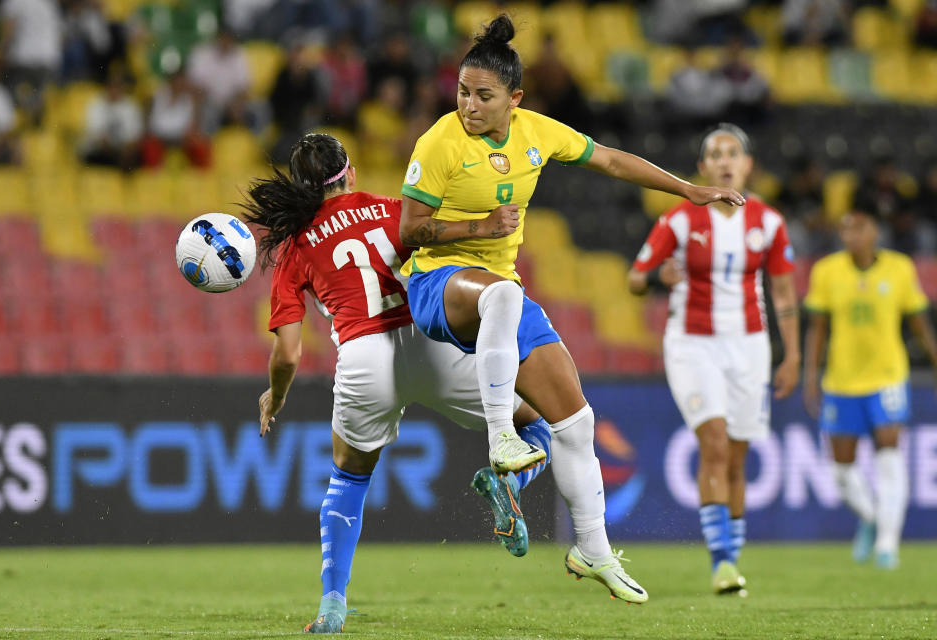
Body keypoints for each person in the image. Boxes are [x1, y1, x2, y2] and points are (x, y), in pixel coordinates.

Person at [398, 14, 744, 604]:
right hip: (437, 283)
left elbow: (609, 160)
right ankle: (502, 436)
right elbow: (407, 233)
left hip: (498, 291)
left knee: (576, 422)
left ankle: (593, 550)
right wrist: (479, 225)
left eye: (484, 96)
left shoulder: (537, 132)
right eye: (462, 92)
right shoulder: (438, 143)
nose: (469, 106)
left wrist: (686, 189)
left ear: (516, 99)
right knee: (505, 295)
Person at [242, 133, 552, 634]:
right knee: (540, 425)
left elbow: (290, 352)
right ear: (350, 172)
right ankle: (507, 481)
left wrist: (274, 397)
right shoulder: (391, 209)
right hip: (429, 342)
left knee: (348, 480)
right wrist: (485, 224)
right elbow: (446, 238)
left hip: (364, 360)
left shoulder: (295, 245)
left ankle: (333, 604)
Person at [628, 123, 799, 595]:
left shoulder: (769, 222)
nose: (725, 161)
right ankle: (722, 562)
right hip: (691, 342)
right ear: (703, 168)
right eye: (715, 154)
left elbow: (783, 291)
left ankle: (731, 559)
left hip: (750, 344)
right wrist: (658, 276)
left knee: (739, 455)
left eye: (734, 153)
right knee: (716, 443)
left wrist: (794, 355)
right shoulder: (679, 220)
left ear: (747, 165)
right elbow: (634, 279)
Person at [803, 207, 937, 569]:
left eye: (859, 228)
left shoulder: (899, 268)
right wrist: (810, 375)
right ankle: (873, 517)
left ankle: (887, 544)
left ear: (874, 230)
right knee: (842, 473)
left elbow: (918, 321)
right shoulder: (826, 271)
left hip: (887, 377)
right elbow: (817, 328)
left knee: (889, 457)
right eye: (845, 230)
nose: (851, 236)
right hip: (842, 381)